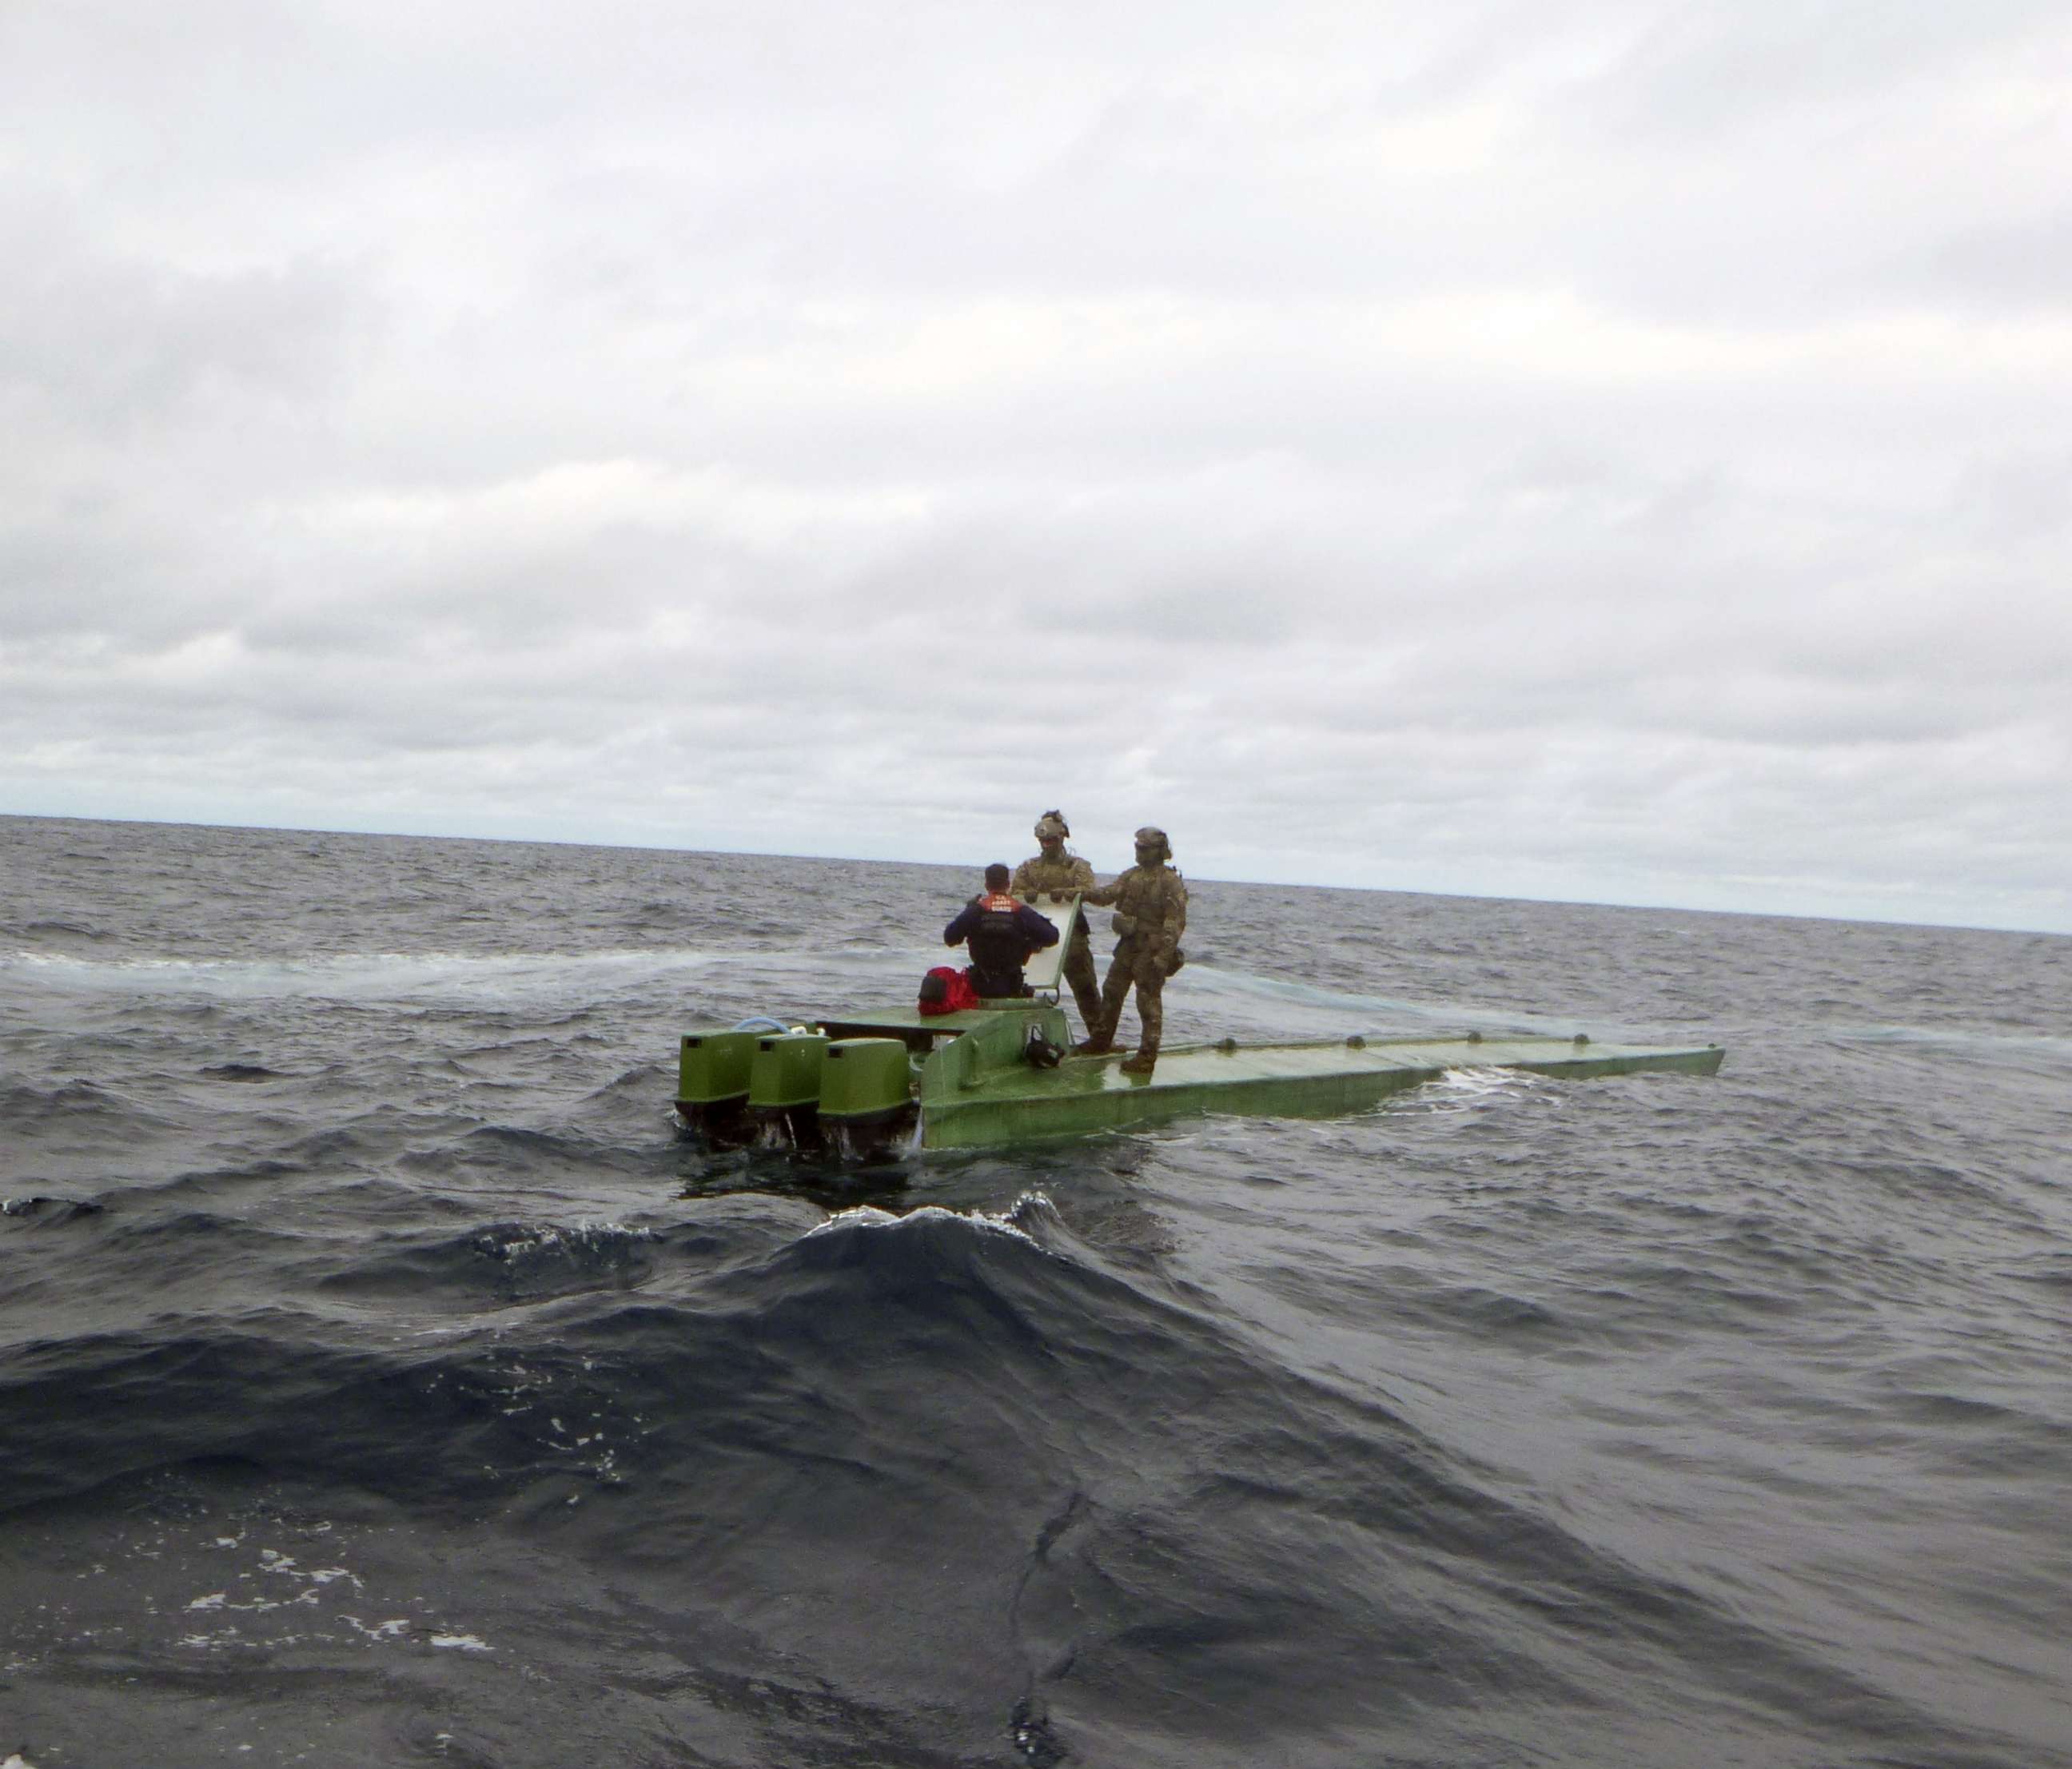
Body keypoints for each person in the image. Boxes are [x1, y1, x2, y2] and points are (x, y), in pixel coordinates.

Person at [1076, 827, 1188, 1075]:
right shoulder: (1132, 876)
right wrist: (1079, 894)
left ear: (1159, 851)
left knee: (1147, 1003)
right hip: (1129, 945)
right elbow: (1108, 894)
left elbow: (1175, 921)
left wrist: (1162, 957)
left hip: (1152, 948)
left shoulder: (1170, 881)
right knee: (1112, 991)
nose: (1138, 852)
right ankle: (1100, 1042)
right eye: (1137, 847)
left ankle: (1146, 1058)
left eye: (1144, 848)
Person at [1010, 810, 1102, 1034]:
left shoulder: (1077, 866)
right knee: (1025, 986)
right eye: (1043, 841)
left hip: (1073, 937)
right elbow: (1015, 892)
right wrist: (1027, 893)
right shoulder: (1029, 867)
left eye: (1050, 840)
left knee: (1086, 990)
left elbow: (1090, 890)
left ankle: (1100, 1038)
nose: (1046, 845)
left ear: (1062, 838)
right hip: (1035, 936)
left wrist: (1068, 892)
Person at [942, 863, 1060, 999]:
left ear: (986, 885)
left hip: (980, 984)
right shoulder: (1020, 910)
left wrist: (968, 910)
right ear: (1008, 884)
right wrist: (1032, 941)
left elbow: (950, 938)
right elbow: (1052, 936)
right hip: (1011, 985)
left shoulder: (976, 910)